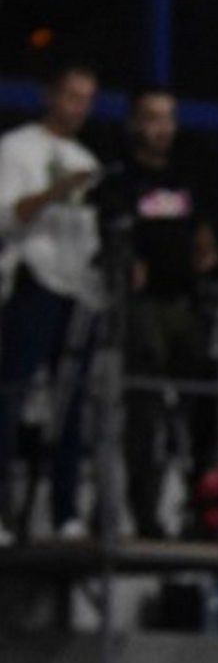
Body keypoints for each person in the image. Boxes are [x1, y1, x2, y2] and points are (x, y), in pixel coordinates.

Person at [91, 88, 218, 540]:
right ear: (134, 123)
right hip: (142, 307)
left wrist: (208, 246)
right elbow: (108, 232)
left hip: (186, 304)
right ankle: (145, 514)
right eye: (151, 118)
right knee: (144, 411)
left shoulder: (188, 177)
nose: (161, 128)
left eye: (168, 118)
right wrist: (127, 260)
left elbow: (206, 227)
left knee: (199, 406)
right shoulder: (120, 179)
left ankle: (203, 511)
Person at [0, 63, 101, 543]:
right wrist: (55, 191)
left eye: (87, 100)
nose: (78, 108)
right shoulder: (16, 148)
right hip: (30, 283)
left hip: (75, 290)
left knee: (71, 404)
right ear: (50, 95)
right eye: (71, 96)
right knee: (12, 396)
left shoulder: (86, 159)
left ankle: (65, 514)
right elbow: (7, 216)